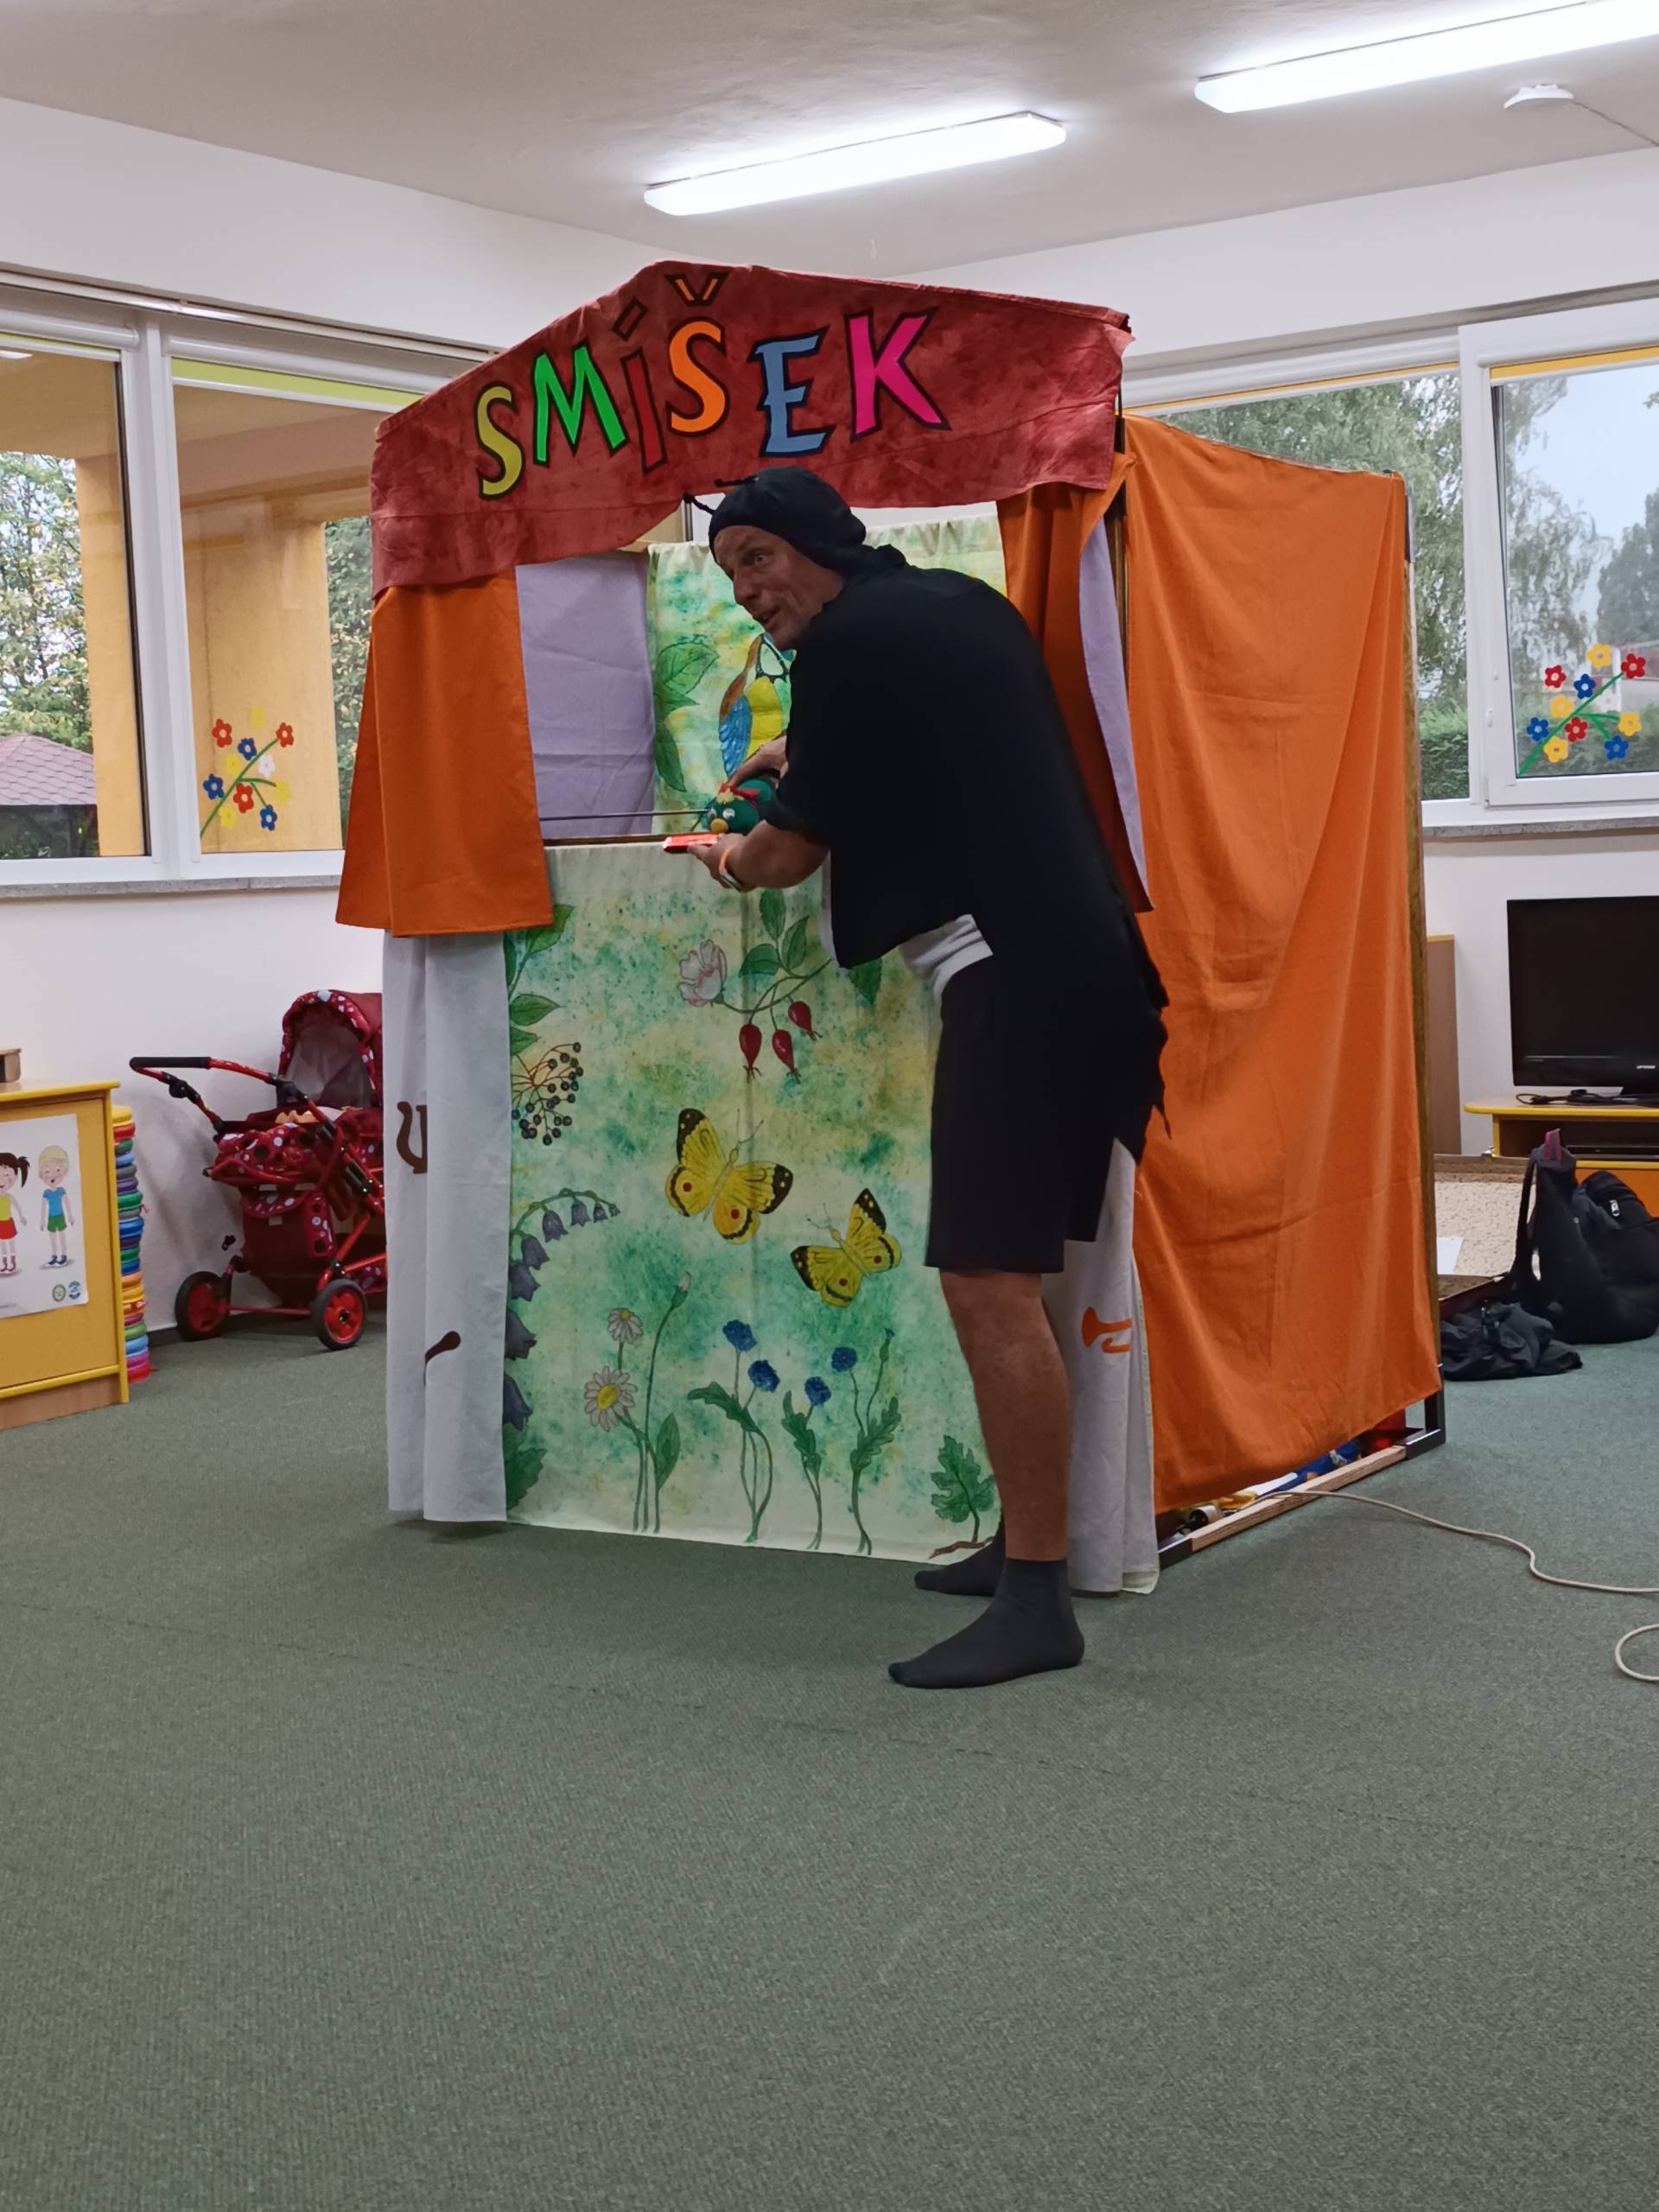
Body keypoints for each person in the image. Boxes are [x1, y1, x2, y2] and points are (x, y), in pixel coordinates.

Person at [686, 467, 1166, 1690]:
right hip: (1082, 966)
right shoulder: (946, 605)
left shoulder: (848, 646)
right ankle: (1029, 1544)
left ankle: (1038, 1601)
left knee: (986, 1283)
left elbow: (788, 855)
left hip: (1012, 970)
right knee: (1022, 1279)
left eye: (757, 559)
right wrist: (801, 750)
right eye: (730, 574)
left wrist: (726, 859)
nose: (748, 593)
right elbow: (914, 745)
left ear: (816, 543)